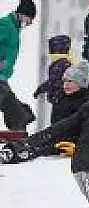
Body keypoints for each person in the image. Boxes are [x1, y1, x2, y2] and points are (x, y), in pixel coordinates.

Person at [0, 0, 37, 131]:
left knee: (13, 106)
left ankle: (17, 131)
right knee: (12, 107)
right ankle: (18, 132)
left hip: (3, 77)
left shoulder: (14, 28)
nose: (30, 23)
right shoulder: (5, 24)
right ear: (22, 14)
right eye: (29, 19)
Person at [33, 35, 74, 114]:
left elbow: (54, 82)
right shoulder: (66, 62)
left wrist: (42, 88)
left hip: (60, 101)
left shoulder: (60, 64)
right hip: (62, 100)